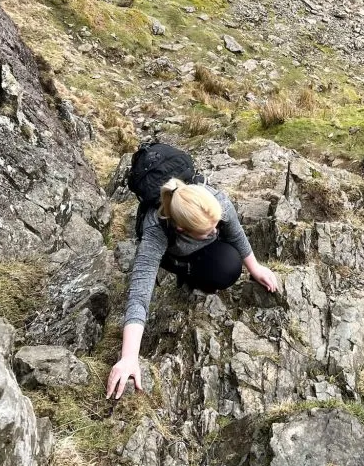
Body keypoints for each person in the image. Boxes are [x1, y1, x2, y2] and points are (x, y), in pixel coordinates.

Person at [107, 145, 277, 400]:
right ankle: (182, 267)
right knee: (220, 270)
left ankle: (200, 260)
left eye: (215, 225)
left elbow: (235, 233)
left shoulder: (215, 201)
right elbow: (139, 293)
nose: (215, 232)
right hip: (174, 252)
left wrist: (255, 267)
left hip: (195, 236)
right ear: (183, 229)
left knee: (230, 264)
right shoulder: (156, 231)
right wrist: (129, 357)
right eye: (208, 231)